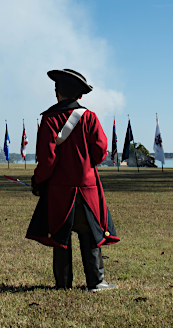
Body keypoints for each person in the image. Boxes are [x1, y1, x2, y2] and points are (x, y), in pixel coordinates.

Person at [26, 69, 118, 292]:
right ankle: (96, 281)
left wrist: (38, 181)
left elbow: (47, 160)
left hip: (59, 190)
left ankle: (63, 283)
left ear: (57, 93)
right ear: (80, 96)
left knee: (60, 237)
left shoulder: (49, 119)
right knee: (90, 235)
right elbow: (100, 151)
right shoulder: (90, 117)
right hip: (88, 188)